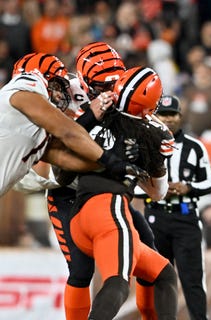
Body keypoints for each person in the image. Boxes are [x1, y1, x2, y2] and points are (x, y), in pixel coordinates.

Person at [69, 66, 178, 320]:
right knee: (118, 283)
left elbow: (64, 158)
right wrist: (145, 165)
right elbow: (158, 193)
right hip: (110, 210)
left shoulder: (94, 112)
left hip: (78, 215)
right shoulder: (152, 132)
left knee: (164, 273)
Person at [0, 52, 139, 196]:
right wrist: (108, 159)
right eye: (57, 85)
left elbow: (64, 158)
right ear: (42, 76)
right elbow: (67, 131)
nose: (60, 94)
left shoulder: (34, 129)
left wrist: (114, 159)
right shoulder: (24, 84)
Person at [137, 95, 211, 320]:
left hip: (186, 217)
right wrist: (158, 189)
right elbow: (132, 184)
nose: (168, 119)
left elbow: (209, 182)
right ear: (155, 116)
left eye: (172, 114)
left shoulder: (195, 147)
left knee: (192, 279)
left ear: (180, 117)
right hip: (154, 218)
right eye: (163, 114)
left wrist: (187, 187)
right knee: (158, 277)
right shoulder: (145, 145)